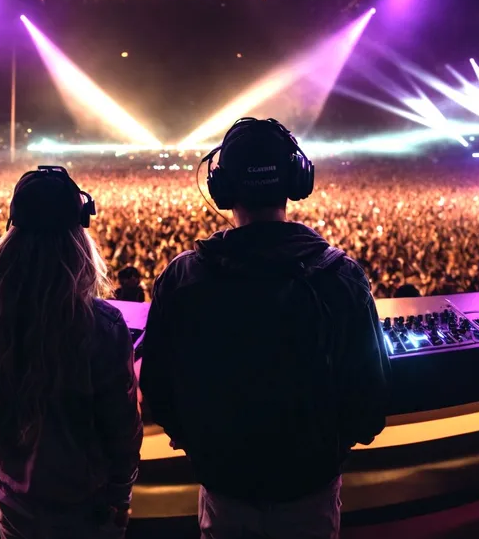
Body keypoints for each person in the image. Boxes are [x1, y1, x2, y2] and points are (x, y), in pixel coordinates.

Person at [140, 118, 390, 539]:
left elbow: (158, 391)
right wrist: (326, 452)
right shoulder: (341, 277)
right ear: (297, 179)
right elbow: (371, 399)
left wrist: (204, 448)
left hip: (225, 492)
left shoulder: (183, 279)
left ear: (221, 188)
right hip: (311, 492)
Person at [0, 166, 142, 539]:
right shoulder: (102, 324)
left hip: (11, 497)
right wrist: (120, 495)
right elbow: (121, 428)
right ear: (78, 235)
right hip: (85, 508)